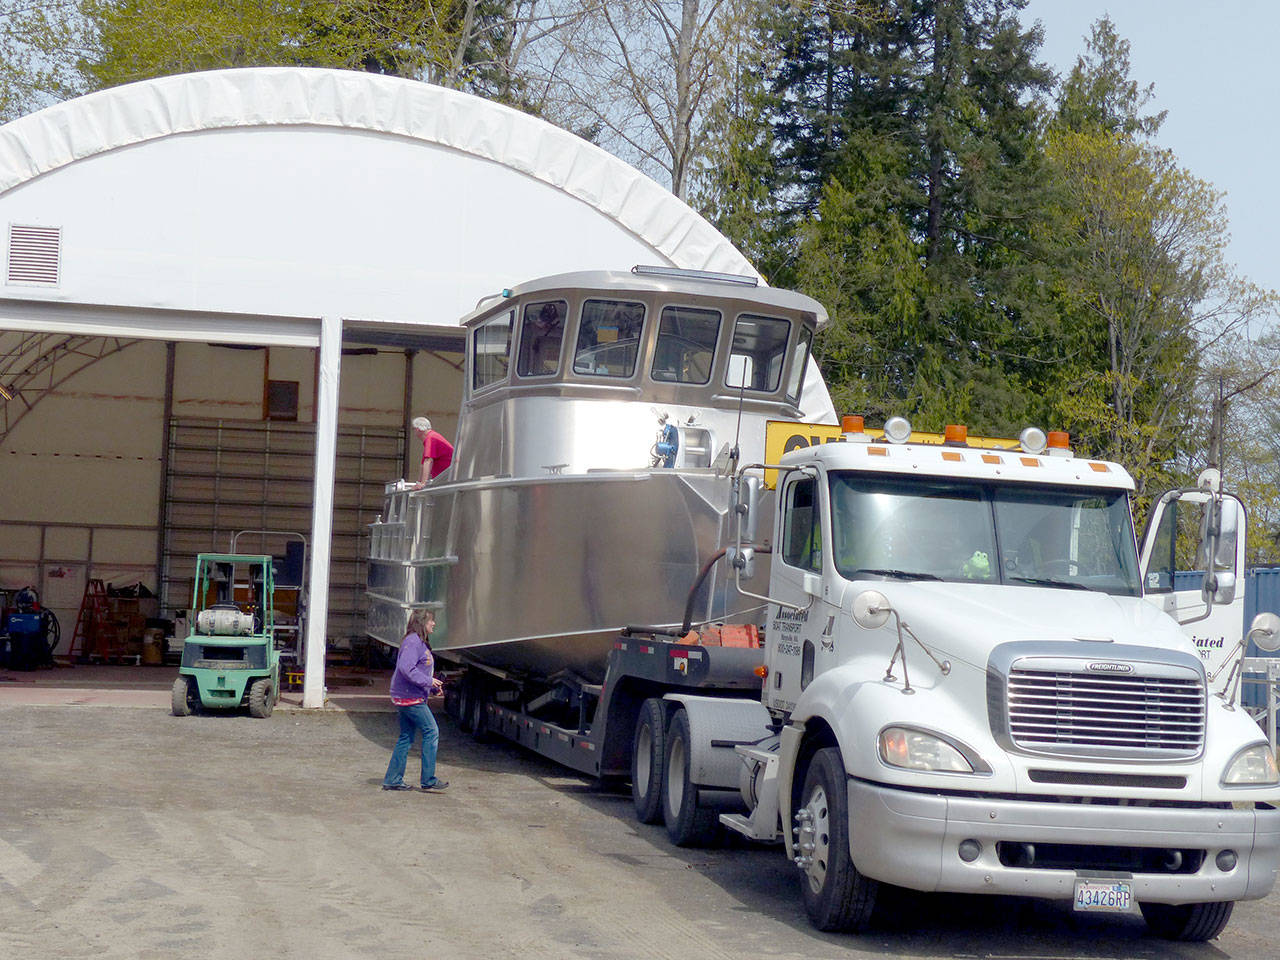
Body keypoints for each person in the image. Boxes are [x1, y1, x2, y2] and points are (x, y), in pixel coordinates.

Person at [381, 610, 448, 792]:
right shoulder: (413, 641)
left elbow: (417, 669)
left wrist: (432, 685)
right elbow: (406, 668)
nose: (434, 624)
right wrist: (428, 681)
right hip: (409, 697)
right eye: (431, 621)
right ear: (422, 623)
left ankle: (393, 779)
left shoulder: (418, 642)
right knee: (431, 731)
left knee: (406, 737)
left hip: (408, 695)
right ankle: (428, 779)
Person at [412, 416, 454, 489]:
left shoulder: (430, 438)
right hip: (444, 477)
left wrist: (423, 483)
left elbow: (428, 461)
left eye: (413, 429)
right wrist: (418, 482)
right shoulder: (431, 437)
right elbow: (423, 465)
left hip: (447, 477)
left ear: (418, 429)